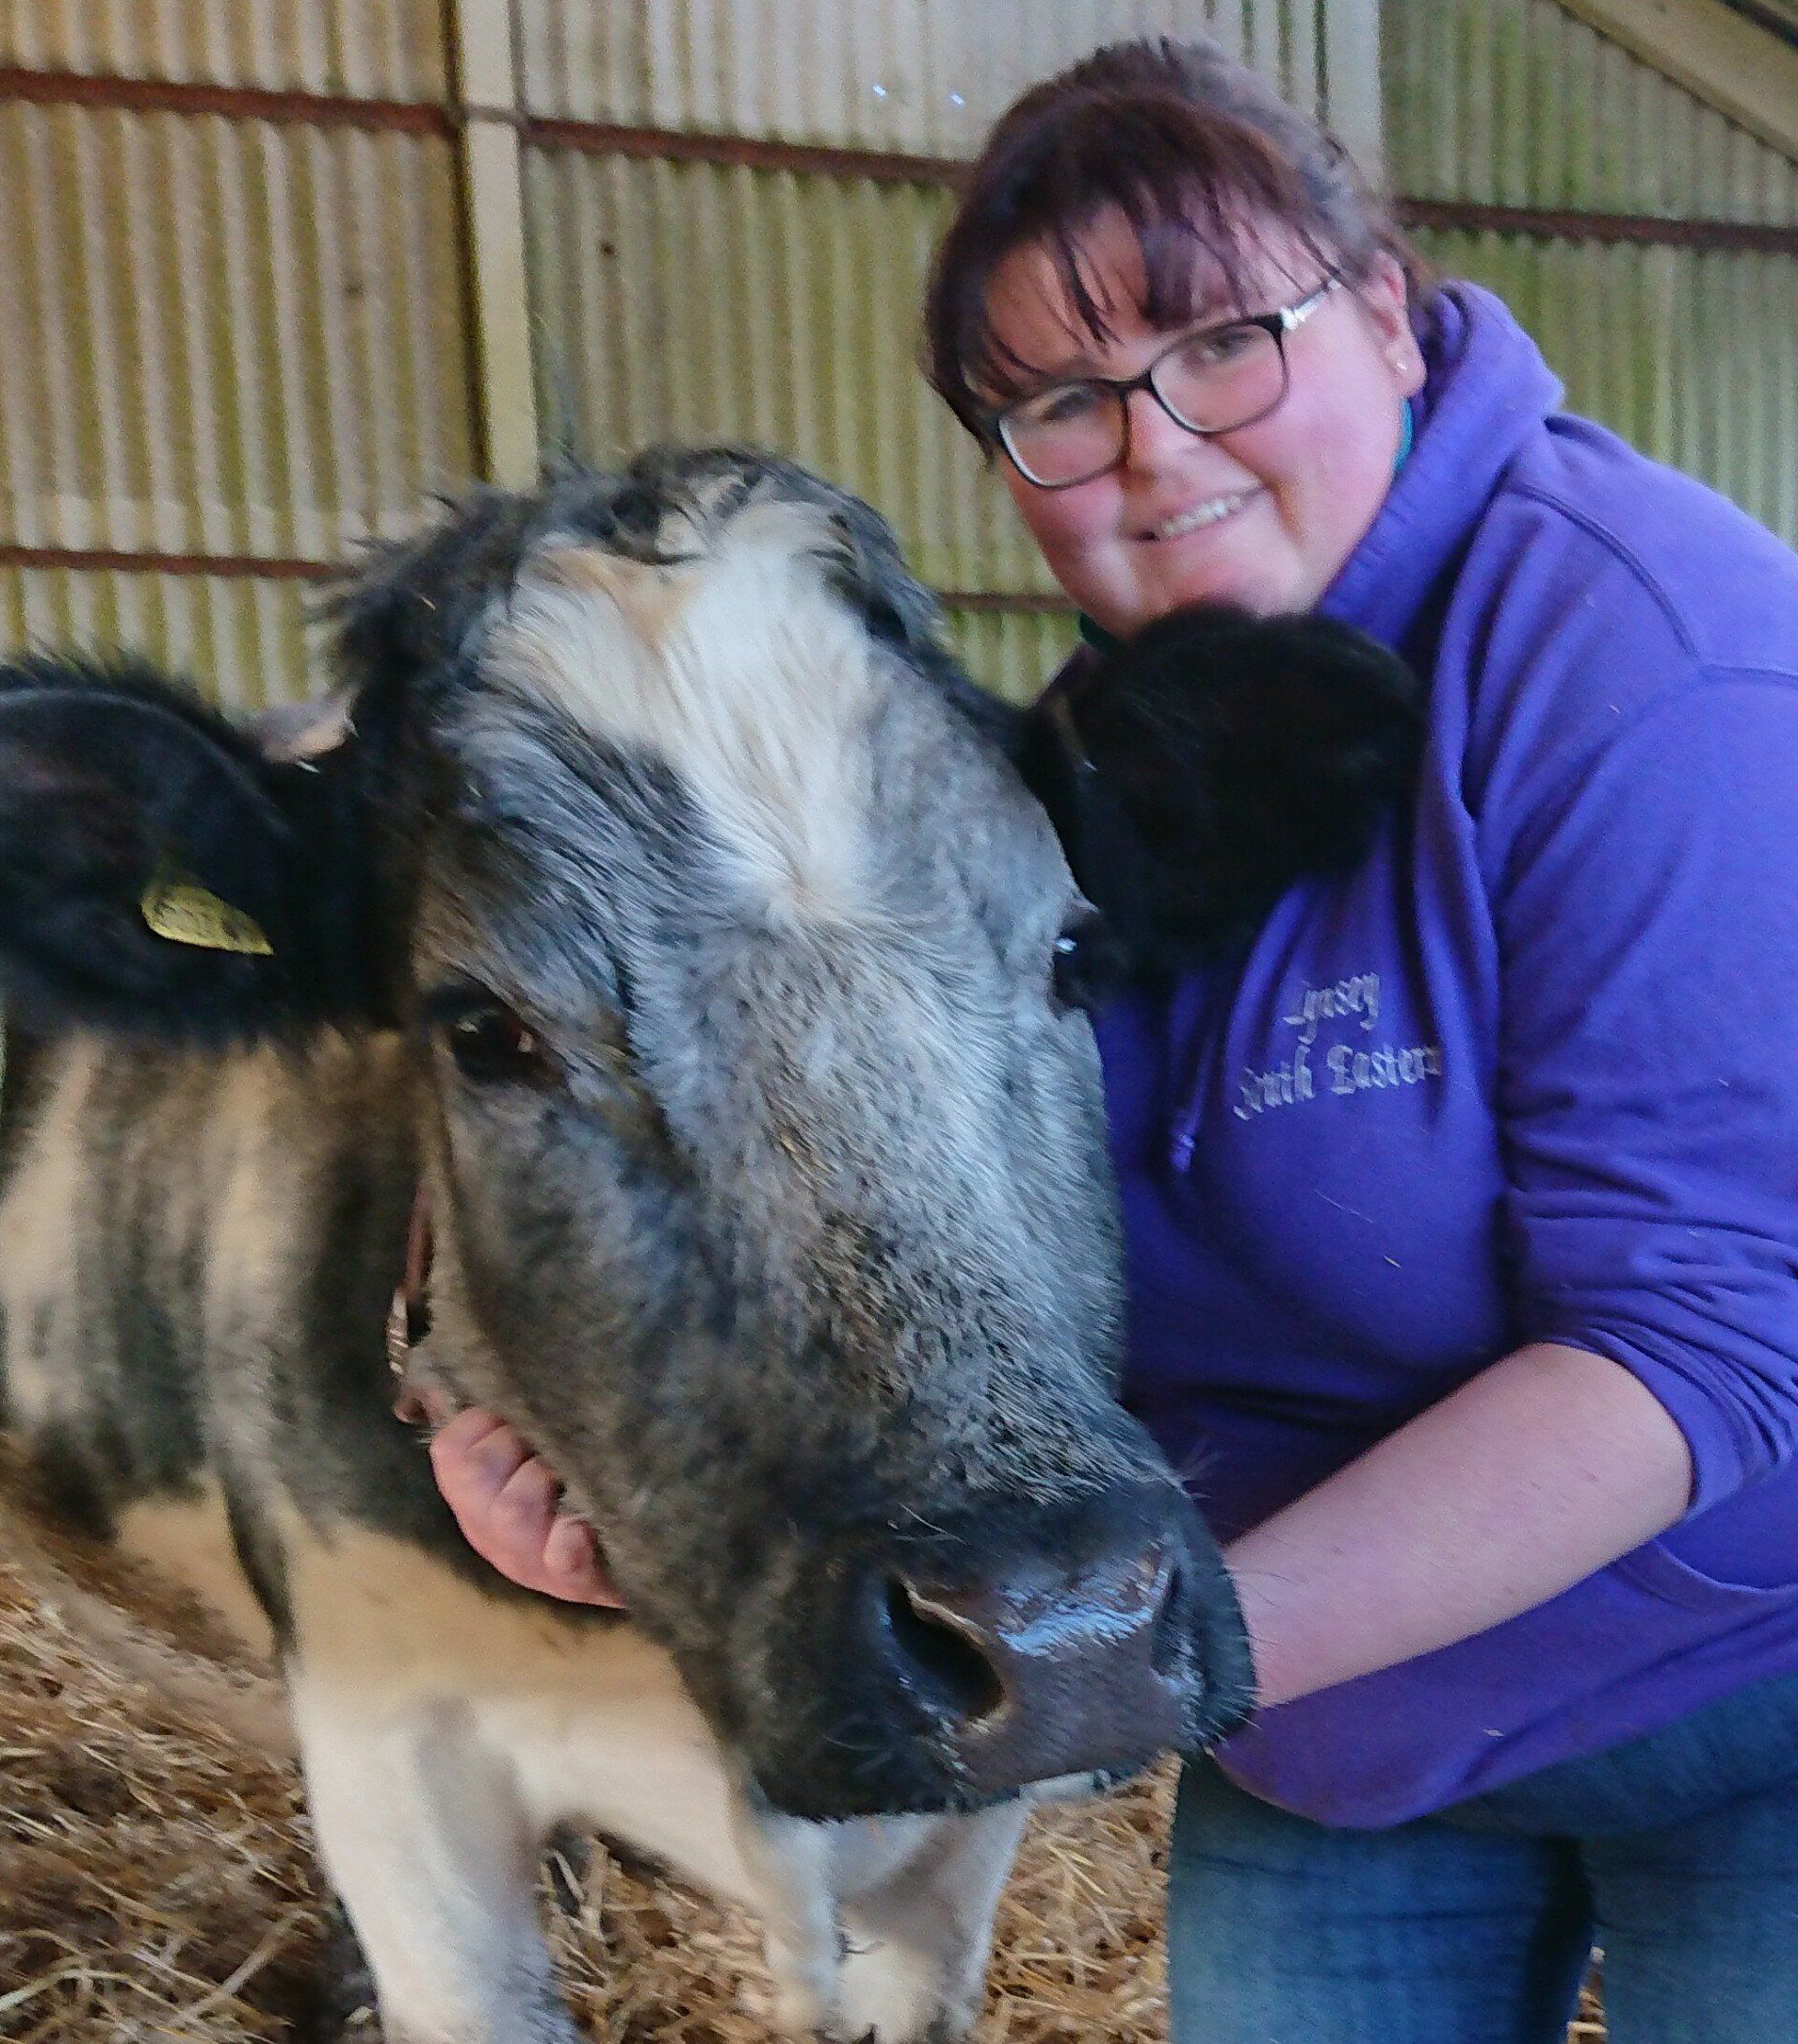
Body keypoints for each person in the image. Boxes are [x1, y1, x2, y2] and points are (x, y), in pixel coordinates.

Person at [428, 37, 1798, 2040]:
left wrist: (1125, 1651)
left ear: (1394, 319)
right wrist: (648, 1480)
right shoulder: (1037, 780)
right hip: (1342, 1736)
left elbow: (1713, 1339)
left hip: (1740, 1699)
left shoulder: (1660, 659)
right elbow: (924, 1248)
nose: (1155, 447)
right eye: (1061, 403)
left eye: (1225, 340)